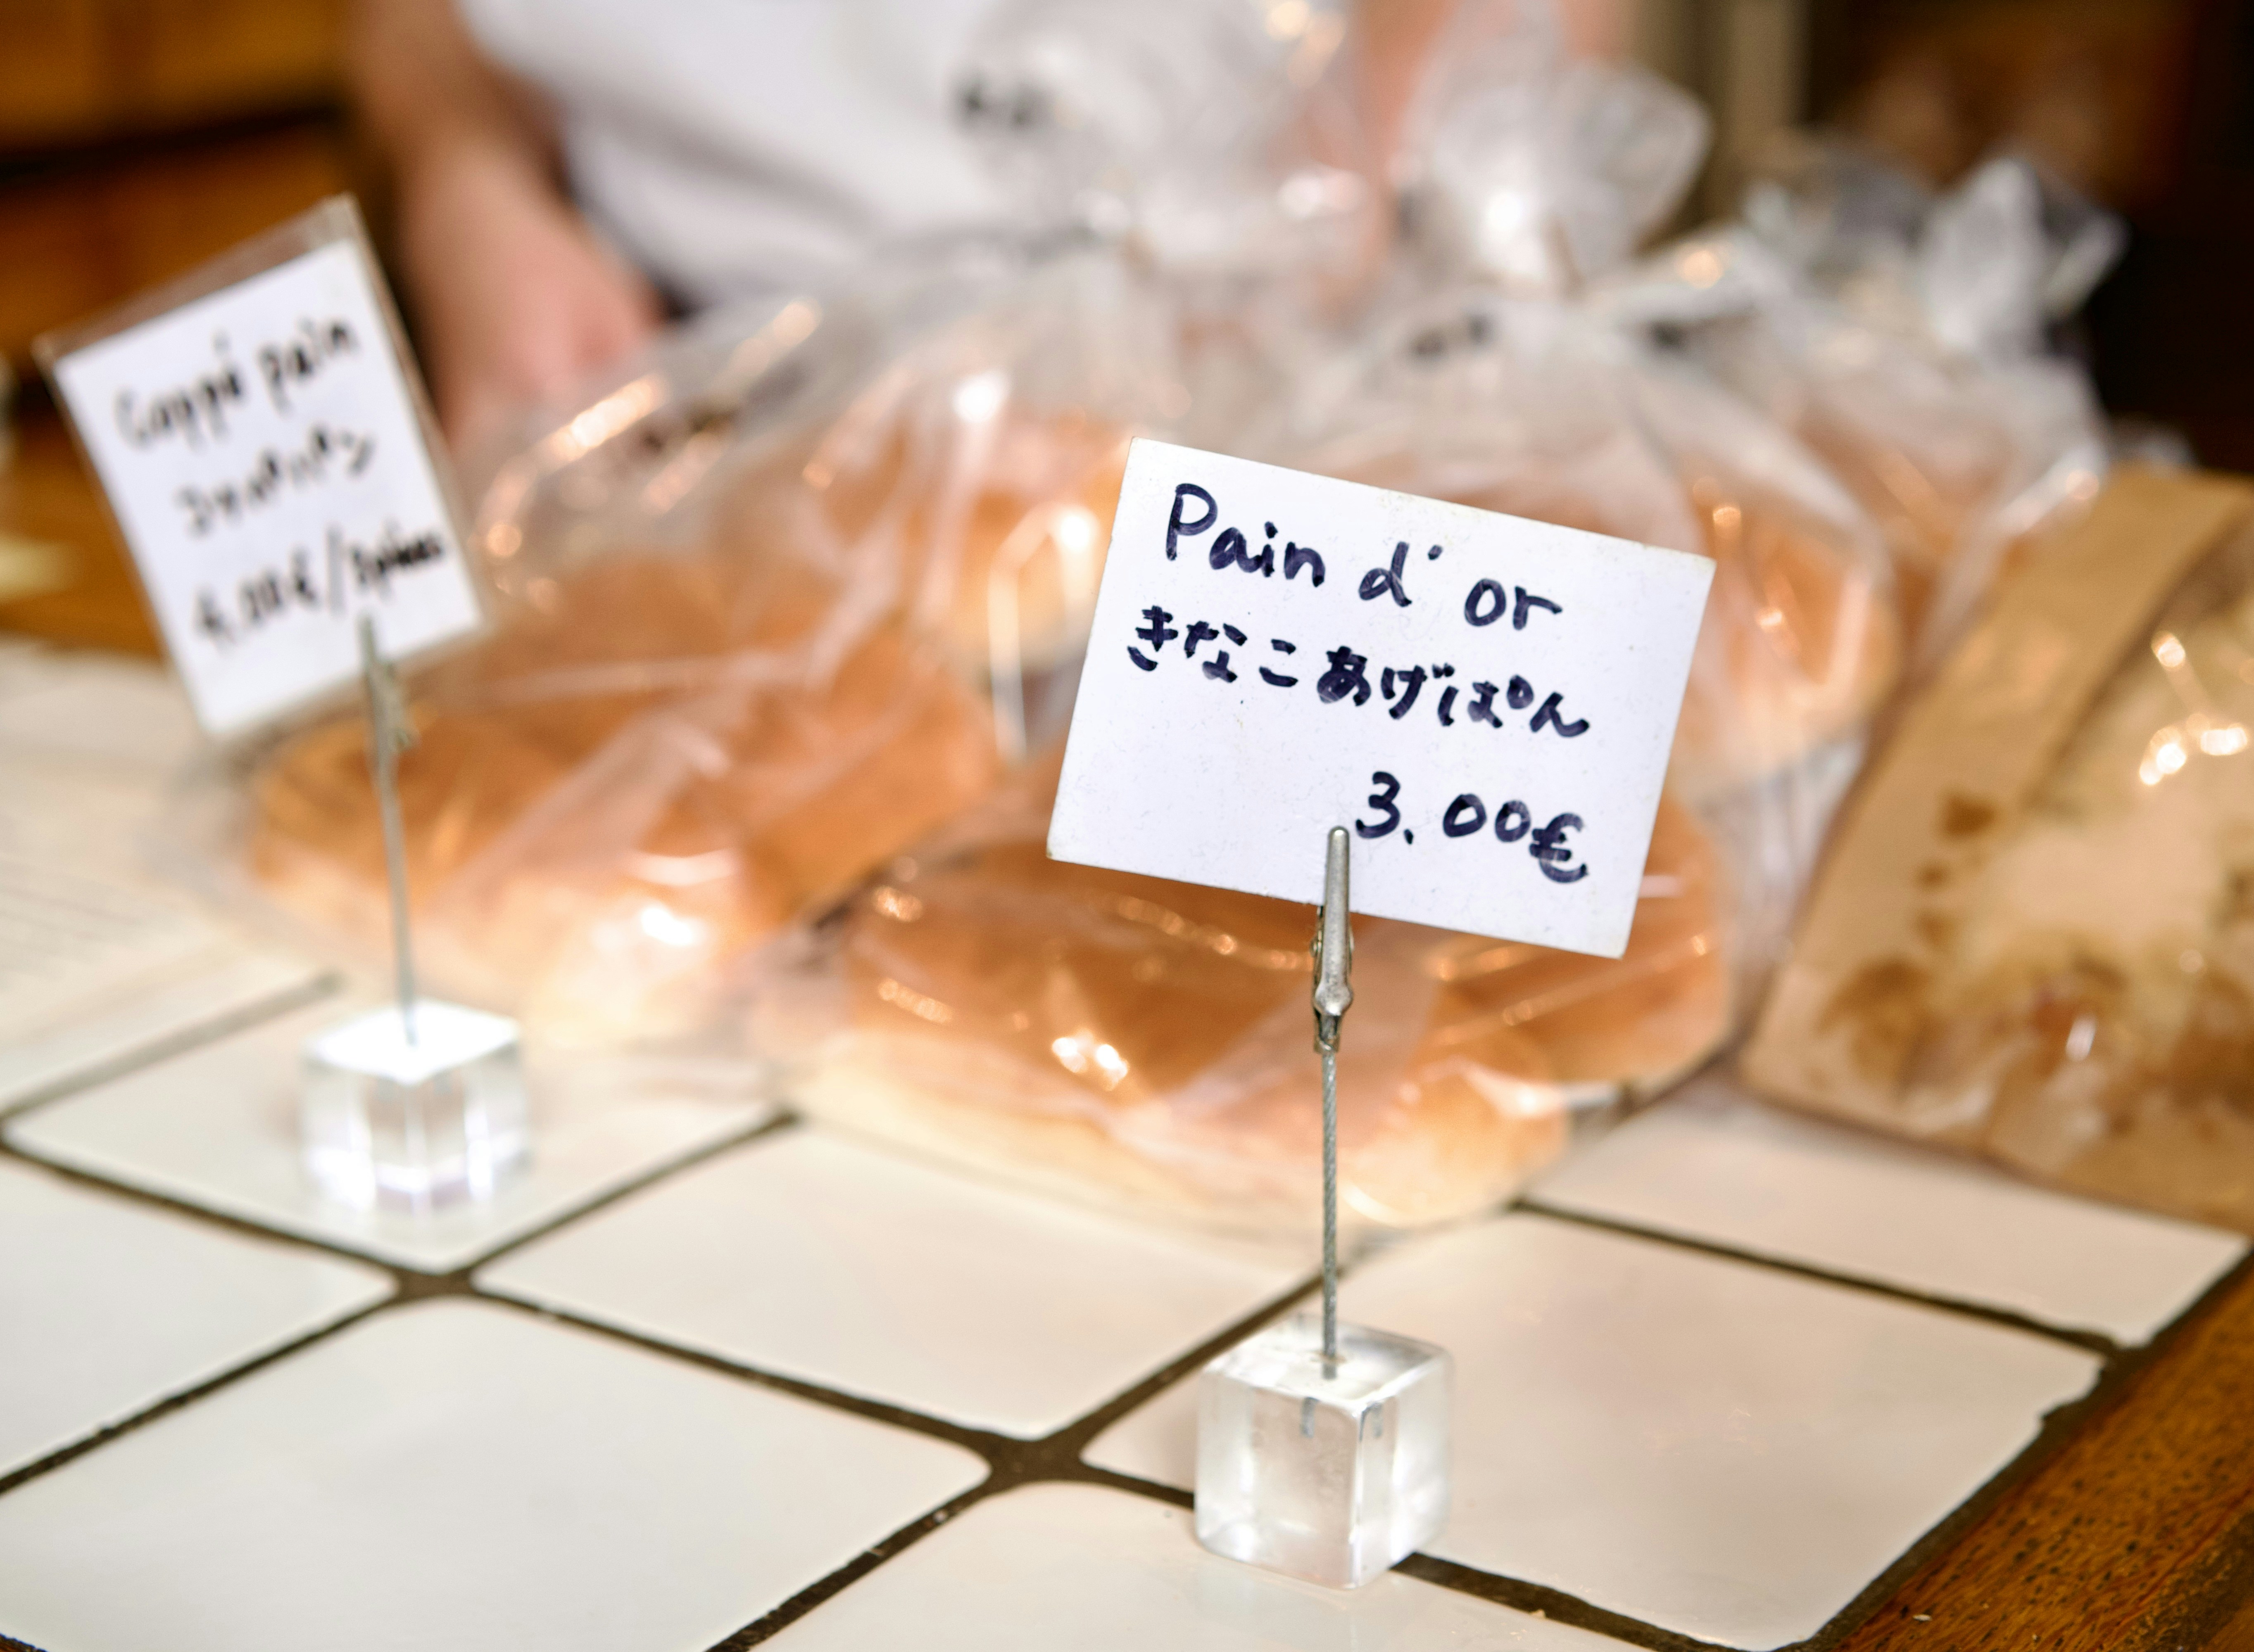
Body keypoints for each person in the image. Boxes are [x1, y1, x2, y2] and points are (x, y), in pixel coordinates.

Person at [352, 0, 1624, 453]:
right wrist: (463, 177)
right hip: (677, 409)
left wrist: (1357, 169)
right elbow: (411, 25)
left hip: (1259, 401)